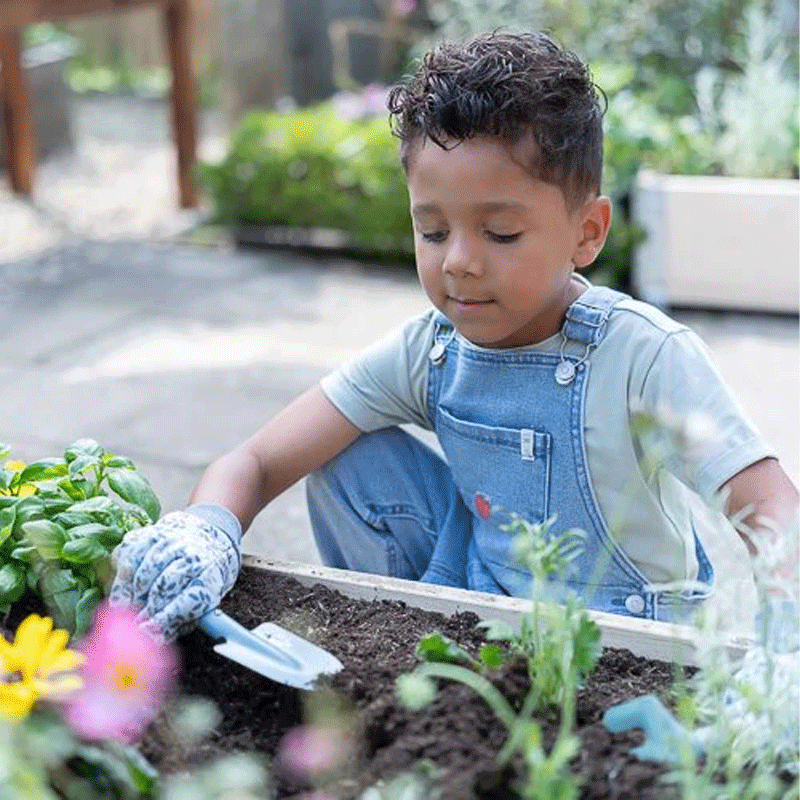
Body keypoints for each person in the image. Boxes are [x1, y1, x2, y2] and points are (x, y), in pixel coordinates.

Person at [110, 30, 798, 642]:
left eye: (500, 233)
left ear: (587, 231)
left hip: (631, 641)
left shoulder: (643, 357)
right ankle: (406, 646)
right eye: (432, 230)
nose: (458, 260)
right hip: (478, 617)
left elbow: (770, 508)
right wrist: (206, 531)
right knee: (351, 456)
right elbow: (258, 460)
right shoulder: (433, 350)